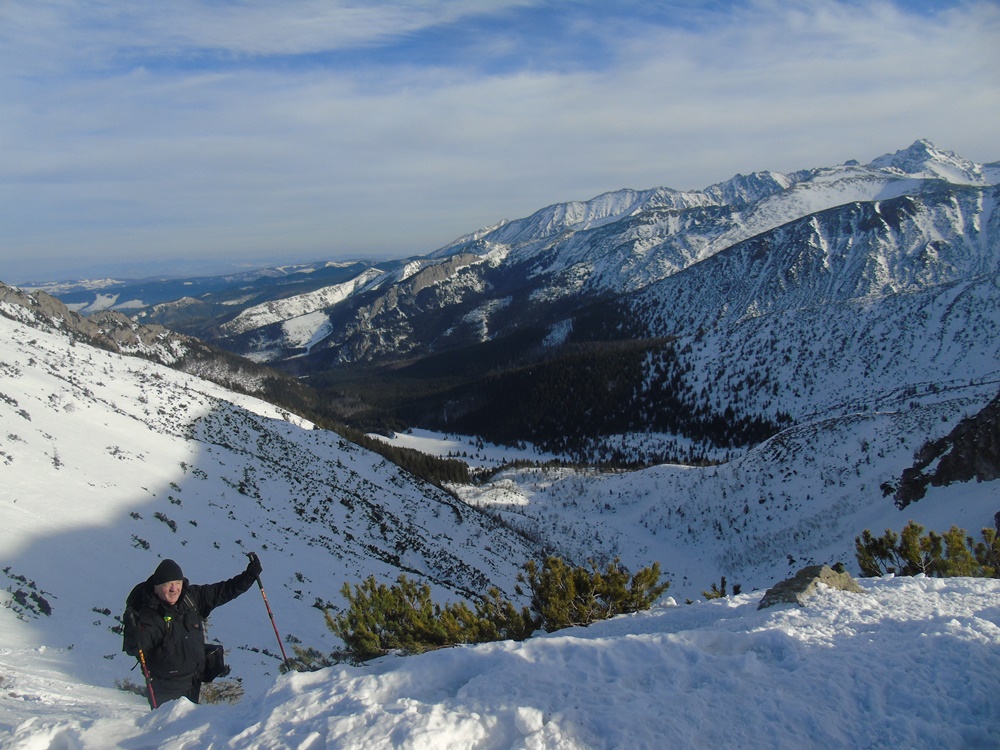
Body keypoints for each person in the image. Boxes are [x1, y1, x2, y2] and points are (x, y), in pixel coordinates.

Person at [122, 553, 263, 709]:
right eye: (167, 584)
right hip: (166, 689)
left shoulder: (191, 598)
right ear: (156, 588)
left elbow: (223, 591)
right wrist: (133, 635)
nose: (174, 589)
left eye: (177, 583)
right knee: (171, 724)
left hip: (193, 682)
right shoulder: (149, 616)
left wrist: (249, 576)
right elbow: (135, 647)